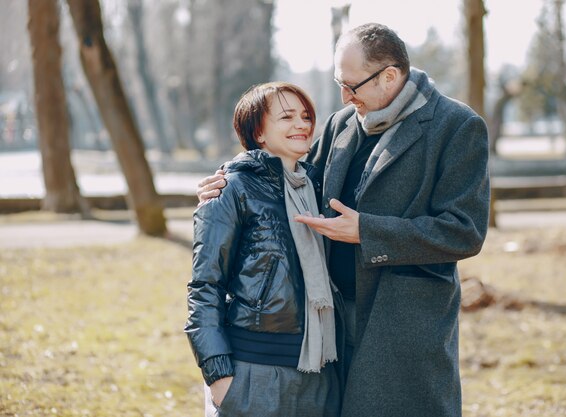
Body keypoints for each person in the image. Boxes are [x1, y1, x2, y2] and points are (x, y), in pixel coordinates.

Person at [197, 23, 490, 417]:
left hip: (403, 324)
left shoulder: (456, 126)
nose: (343, 96)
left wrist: (368, 232)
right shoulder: (342, 124)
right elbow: (287, 175)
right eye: (340, 83)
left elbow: (464, 231)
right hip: (329, 328)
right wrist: (228, 182)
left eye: (352, 85)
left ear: (389, 76)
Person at [185, 81, 342, 417]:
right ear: (258, 132)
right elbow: (205, 287)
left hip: (319, 371)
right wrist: (218, 375)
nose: (301, 124)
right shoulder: (230, 188)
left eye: (305, 116)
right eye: (286, 117)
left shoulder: (320, 189)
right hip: (253, 368)